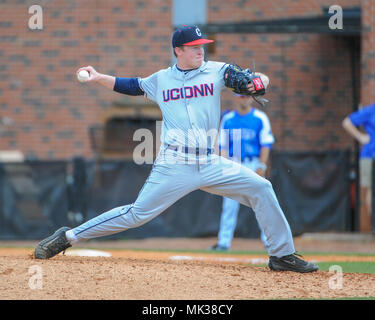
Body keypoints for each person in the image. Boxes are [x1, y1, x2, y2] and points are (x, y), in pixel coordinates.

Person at [34, 25, 318, 273]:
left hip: (209, 161)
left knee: (262, 188)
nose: (200, 51)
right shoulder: (161, 79)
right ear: (178, 51)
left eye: (202, 46)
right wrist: (97, 77)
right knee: (136, 214)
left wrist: (259, 82)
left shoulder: (217, 71)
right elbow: (131, 85)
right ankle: (68, 236)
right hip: (175, 162)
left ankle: (281, 256)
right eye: (194, 47)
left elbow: (256, 78)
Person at [211, 94, 273, 251]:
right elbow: (223, 146)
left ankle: (269, 241)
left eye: (246, 96)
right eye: (241, 96)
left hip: (253, 163)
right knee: (229, 205)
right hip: (234, 163)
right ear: (235, 98)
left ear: (251, 98)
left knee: (262, 203)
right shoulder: (229, 119)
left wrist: (262, 165)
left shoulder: (260, 117)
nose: (244, 99)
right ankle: (224, 242)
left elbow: (266, 144)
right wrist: (224, 166)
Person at [342, 103, 375, 231]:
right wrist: (361, 137)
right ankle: (373, 225)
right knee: (371, 190)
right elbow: (347, 122)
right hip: (370, 156)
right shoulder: (370, 111)